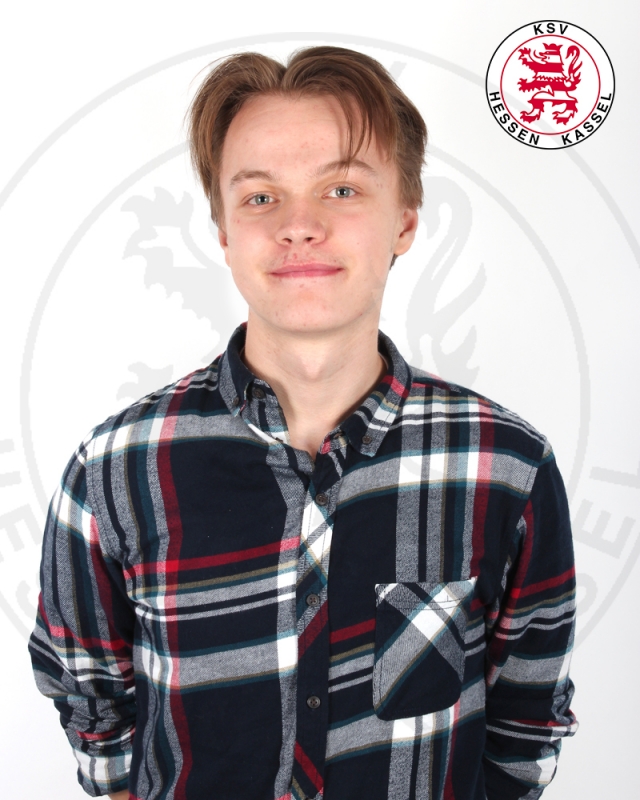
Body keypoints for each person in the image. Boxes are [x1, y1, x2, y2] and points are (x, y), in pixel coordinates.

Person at [29, 46, 577, 800]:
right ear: (224, 230)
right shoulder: (116, 469)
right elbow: (95, 712)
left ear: (405, 220)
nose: (299, 226)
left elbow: (525, 724)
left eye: (342, 189)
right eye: (261, 197)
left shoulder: (505, 467)